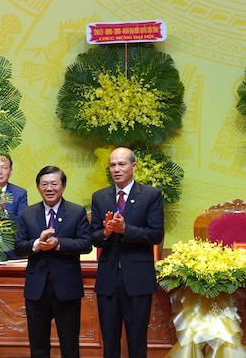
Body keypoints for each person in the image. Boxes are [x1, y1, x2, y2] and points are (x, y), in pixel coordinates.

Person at [91, 147, 164, 358]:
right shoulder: (100, 197)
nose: (116, 169)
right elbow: (92, 237)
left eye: (121, 164)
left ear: (134, 166)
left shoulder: (151, 195)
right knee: (109, 339)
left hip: (137, 279)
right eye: (112, 165)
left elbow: (156, 235)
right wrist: (106, 232)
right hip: (108, 278)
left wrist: (125, 230)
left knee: (137, 339)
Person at [14, 165, 91, 358]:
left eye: (54, 184)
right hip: (36, 289)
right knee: (38, 346)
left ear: (63, 186)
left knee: (70, 345)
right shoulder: (28, 213)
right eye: (44, 184)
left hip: (67, 288)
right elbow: (18, 245)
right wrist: (36, 245)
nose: (49, 188)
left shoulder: (76, 211)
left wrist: (59, 244)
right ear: (38, 187)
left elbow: (86, 244)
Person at [0, 153, 28, 258]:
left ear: (10, 171)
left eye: (4, 168)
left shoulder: (20, 193)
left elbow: (23, 223)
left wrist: (4, 212)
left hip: (12, 252)